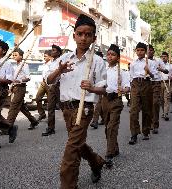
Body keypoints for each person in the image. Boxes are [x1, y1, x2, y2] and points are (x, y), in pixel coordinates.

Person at [46, 14, 106, 188]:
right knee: (78, 144)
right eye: (80, 34)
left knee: (71, 151)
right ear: (74, 35)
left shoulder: (97, 61)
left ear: (94, 38)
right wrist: (59, 71)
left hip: (84, 109)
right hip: (66, 109)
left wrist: (92, 87)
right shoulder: (64, 60)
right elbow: (49, 81)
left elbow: (103, 88)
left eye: (88, 35)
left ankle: (68, 185)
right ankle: (96, 161)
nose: (83, 38)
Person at [101, 44, 130, 167]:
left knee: (112, 127)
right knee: (107, 126)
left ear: (118, 57)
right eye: (108, 54)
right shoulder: (103, 70)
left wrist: (123, 89)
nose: (110, 56)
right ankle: (115, 148)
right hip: (104, 100)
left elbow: (128, 87)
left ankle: (109, 154)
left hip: (116, 101)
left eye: (113, 54)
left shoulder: (122, 72)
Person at [7, 48, 39, 130]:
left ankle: (7, 127)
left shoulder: (24, 65)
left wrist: (20, 80)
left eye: (16, 55)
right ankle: (33, 121)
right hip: (15, 88)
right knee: (22, 108)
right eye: (13, 55)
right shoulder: (15, 66)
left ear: (21, 56)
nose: (14, 56)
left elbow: (28, 78)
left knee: (13, 107)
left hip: (20, 88)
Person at [129, 42, 153, 145]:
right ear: (136, 51)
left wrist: (149, 71)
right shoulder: (133, 63)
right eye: (138, 50)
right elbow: (131, 76)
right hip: (135, 84)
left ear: (145, 51)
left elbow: (154, 77)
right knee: (133, 110)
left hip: (146, 84)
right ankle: (134, 134)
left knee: (146, 109)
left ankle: (146, 131)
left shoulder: (149, 62)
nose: (139, 52)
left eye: (142, 50)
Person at [42, 45, 62, 136]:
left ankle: (73, 124)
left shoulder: (60, 61)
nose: (52, 52)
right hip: (51, 86)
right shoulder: (51, 62)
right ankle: (50, 128)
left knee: (65, 107)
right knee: (50, 107)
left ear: (58, 53)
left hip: (59, 86)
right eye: (52, 50)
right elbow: (48, 74)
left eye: (54, 50)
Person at [148, 45, 168, 134]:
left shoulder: (158, 61)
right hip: (146, 84)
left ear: (154, 52)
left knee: (155, 103)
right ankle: (149, 124)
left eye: (151, 50)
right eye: (148, 50)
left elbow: (166, 70)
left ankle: (155, 125)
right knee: (148, 105)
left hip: (156, 83)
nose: (150, 52)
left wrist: (162, 69)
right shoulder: (142, 61)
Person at [90, 51, 105, 129]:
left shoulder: (103, 65)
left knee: (98, 103)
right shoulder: (92, 65)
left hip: (101, 88)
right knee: (99, 104)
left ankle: (95, 121)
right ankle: (104, 118)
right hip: (93, 87)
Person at [35, 50, 52, 121]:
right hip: (43, 83)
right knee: (38, 98)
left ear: (50, 57)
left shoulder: (52, 64)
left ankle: (50, 118)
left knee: (50, 101)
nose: (44, 57)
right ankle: (42, 114)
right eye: (44, 56)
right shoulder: (43, 64)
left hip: (50, 84)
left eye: (45, 56)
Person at [160, 52, 172, 121]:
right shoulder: (158, 65)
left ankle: (166, 113)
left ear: (167, 57)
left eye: (165, 56)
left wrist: (171, 76)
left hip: (167, 83)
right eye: (162, 56)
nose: (163, 57)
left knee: (166, 99)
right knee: (161, 100)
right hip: (160, 83)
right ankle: (164, 111)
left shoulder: (170, 66)